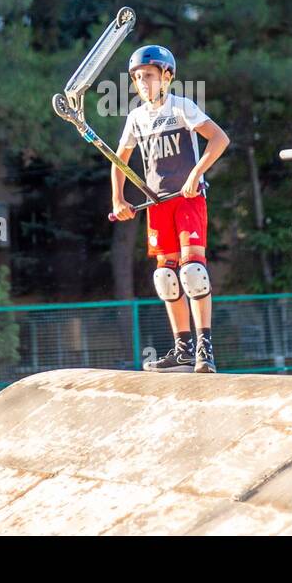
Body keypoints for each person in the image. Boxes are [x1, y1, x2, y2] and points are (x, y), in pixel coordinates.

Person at [112, 45, 231, 373]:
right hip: (157, 205)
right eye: (136, 77)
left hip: (188, 199)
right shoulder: (136, 118)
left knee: (193, 272)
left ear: (167, 76)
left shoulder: (182, 107)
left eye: (148, 75)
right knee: (166, 277)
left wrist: (196, 174)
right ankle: (182, 349)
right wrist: (118, 199)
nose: (142, 82)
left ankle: (205, 348)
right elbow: (119, 161)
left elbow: (219, 139)